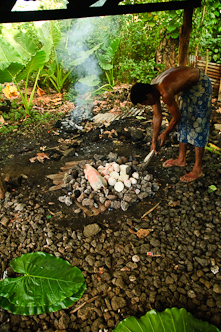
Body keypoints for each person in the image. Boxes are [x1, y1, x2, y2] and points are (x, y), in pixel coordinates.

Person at [130, 66, 212, 183]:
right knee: (185, 120)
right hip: (188, 87)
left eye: (145, 103)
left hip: (200, 84)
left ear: (149, 96)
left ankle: (197, 169)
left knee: (198, 124)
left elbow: (176, 117)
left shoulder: (165, 91)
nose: (146, 105)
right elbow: (157, 116)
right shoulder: (153, 88)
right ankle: (181, 159)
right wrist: (154, 141)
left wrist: (165, 133)